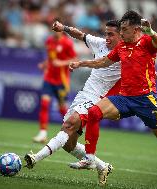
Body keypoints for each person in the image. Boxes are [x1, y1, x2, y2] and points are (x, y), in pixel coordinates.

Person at [69, 10, 157, 184]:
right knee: (94, 112)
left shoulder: (146, 42)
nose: (121, 33)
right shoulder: (121, 46)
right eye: (120, 29)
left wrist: (150, 32)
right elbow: (102, 62)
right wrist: (81, 63)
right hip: (124, 98)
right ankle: (90, 158)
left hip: (145, 100)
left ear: (137, 29)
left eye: (125, 30)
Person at [24, 20, 122, 186]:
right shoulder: (99, 43)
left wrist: (149, 71)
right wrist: (64, 28)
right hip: (84, 94)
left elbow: (141, 65)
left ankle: (35, 158)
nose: (107, 37)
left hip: (100, 100)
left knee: (69, 125)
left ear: (121, 34)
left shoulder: (127, 53)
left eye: (111, 34)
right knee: (69, 144)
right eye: (106, 33)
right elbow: (80, 35)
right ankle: (102, 166)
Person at [33, 28, 77, 143]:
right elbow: (51, 58)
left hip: (61, 81)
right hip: (48, 78)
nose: (55, 31)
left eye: (57, 29)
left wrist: (61, 63)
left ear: (61, 30)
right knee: (44, 104)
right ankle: (42, 133)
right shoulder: (49, 41)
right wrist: (44, 64)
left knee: (62, 108)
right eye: (53, 29)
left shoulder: (67, 43)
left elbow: (74, 59)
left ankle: (71, 132)